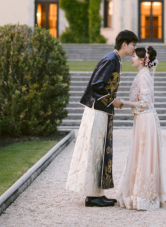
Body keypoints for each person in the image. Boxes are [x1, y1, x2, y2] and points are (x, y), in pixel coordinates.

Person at [66, 30, 139, 207]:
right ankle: (92, 196)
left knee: (100, 150)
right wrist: (113, 101)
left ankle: (97, 192)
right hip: (97, 112)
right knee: (95, 151)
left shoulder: (115, 60)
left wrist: (114, 101)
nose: (134, 49)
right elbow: (96, 86)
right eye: (133, 45)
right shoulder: (110, 60)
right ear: (124, 44)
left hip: (102, 111)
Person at [116, 46, 166, 211]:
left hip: (146, 118)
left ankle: (143, 195)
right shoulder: (142, 74)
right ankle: (140, 192)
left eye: (134, 56)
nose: (131, 58)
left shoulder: (143, 77)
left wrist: (124, 102)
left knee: (143, 155)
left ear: (142, 60)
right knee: (140, 154)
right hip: (143, 118)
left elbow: (146, 103)